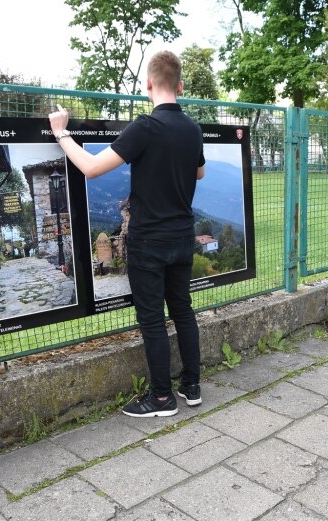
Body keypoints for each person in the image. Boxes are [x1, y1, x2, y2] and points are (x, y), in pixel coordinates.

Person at [48, 50, 206, 418]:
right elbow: (198, 174)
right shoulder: (193, 128)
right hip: (183, 236)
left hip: (149, 241)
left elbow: (90, 167)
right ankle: (192, 386)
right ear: (180, 86)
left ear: (148, 84)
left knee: (152, 319)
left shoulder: (146, 127)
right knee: (183, 309)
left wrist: (61, 133)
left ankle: (162, 399)